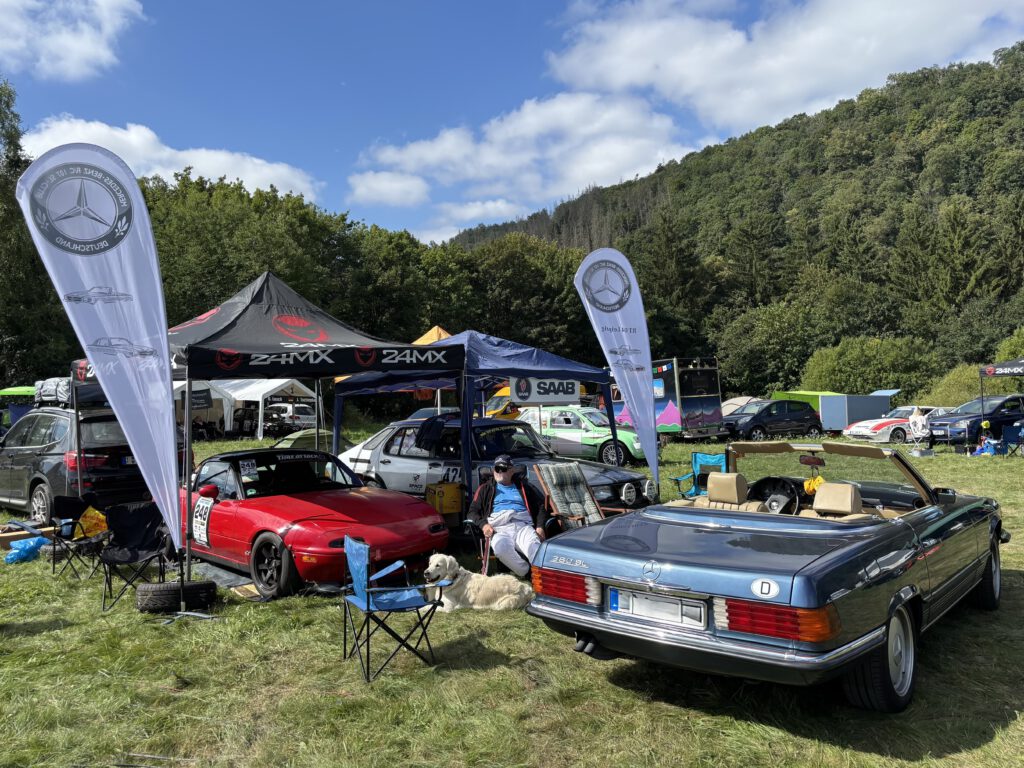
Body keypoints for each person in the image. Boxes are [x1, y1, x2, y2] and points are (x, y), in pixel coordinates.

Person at [467, 454, 548, 578]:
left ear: (512, 470)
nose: (499, 472)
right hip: (499, 528)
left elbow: (541, 506)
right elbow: (472, 512)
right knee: (500, 548)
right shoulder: (485, 488)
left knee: (534, 548)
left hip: (522, 525)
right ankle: (527, 573)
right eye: (496, 468)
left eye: (503, 469)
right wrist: (484, 525)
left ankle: (544, 579)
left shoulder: (524, 487)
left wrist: (540, 527)